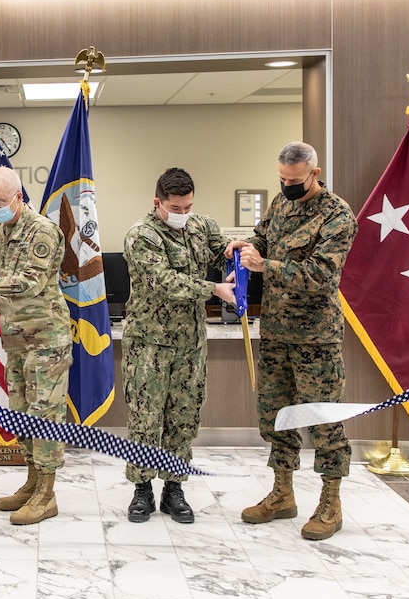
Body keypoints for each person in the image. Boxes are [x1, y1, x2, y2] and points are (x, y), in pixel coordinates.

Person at [226, 141, 358, 541]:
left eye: (295, 181)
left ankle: (330, 503)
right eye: (282, 180)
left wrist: (266, 265)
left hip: (316, 340)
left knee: (322, 421)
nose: (287, 187)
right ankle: (282, 494)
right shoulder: (281, 205)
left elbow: (321, 274)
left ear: (314, 174)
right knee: (276, 418)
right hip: (277, 335)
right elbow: (263, 238)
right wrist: (246, 248)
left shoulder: (337, 215)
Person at [0, 167, 72, 525]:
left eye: (0, 202)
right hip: (17, 340)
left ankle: (47, 495)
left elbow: (29, 283)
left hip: (46, 340)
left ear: (18, 198)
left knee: (46, 416)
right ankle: (33, 482)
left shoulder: (42, 231)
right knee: (22, 414)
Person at [122, 168, 235, 524]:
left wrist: (235, 252)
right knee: (145, 419)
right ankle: (142, 490)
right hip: (149, 345)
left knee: (183, 418)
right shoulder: (141, 235)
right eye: (176, 207)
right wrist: (214, 290)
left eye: (188, 206)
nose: (183, 213)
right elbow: (164, 281)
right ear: (158, 203)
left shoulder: (201, 226)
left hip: (190, 344)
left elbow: (221, 252)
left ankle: (174, 488)